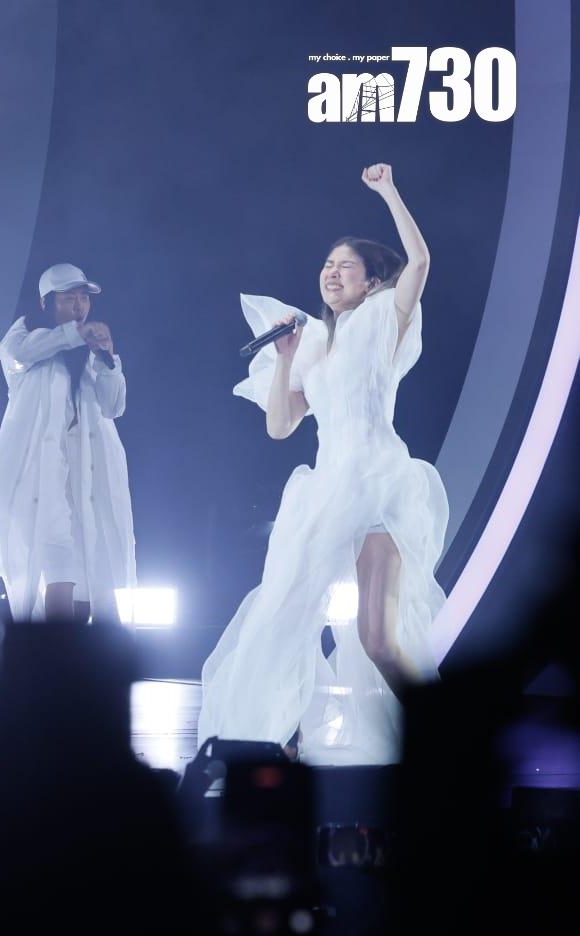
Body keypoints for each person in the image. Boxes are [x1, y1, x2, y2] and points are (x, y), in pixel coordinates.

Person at [199, 164, 446, 763]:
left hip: (380, 482)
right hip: (330, 484)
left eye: (346, 266)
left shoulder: (384, 320)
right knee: (284, 611)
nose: (332, 273)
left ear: (371, 281)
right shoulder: (316, 345)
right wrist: (286, 357)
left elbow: (419, 261)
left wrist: (388, 190)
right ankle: (276, 738)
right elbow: (280, 426)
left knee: (377, 636)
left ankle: (446, 738)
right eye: (328, 265)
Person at [0, 262, 136, 623]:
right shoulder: (26, 339)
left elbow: (114, 406)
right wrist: (76, 335)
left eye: (84, 298)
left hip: (83, 483)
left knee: (85, 596)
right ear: (46, 303)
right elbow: (21, 353)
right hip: (40, 482)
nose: (79, 307)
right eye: (69, 299)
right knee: (59, 572)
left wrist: (108, 359)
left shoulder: (89, 354)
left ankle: (68, 651)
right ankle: (54, 657)